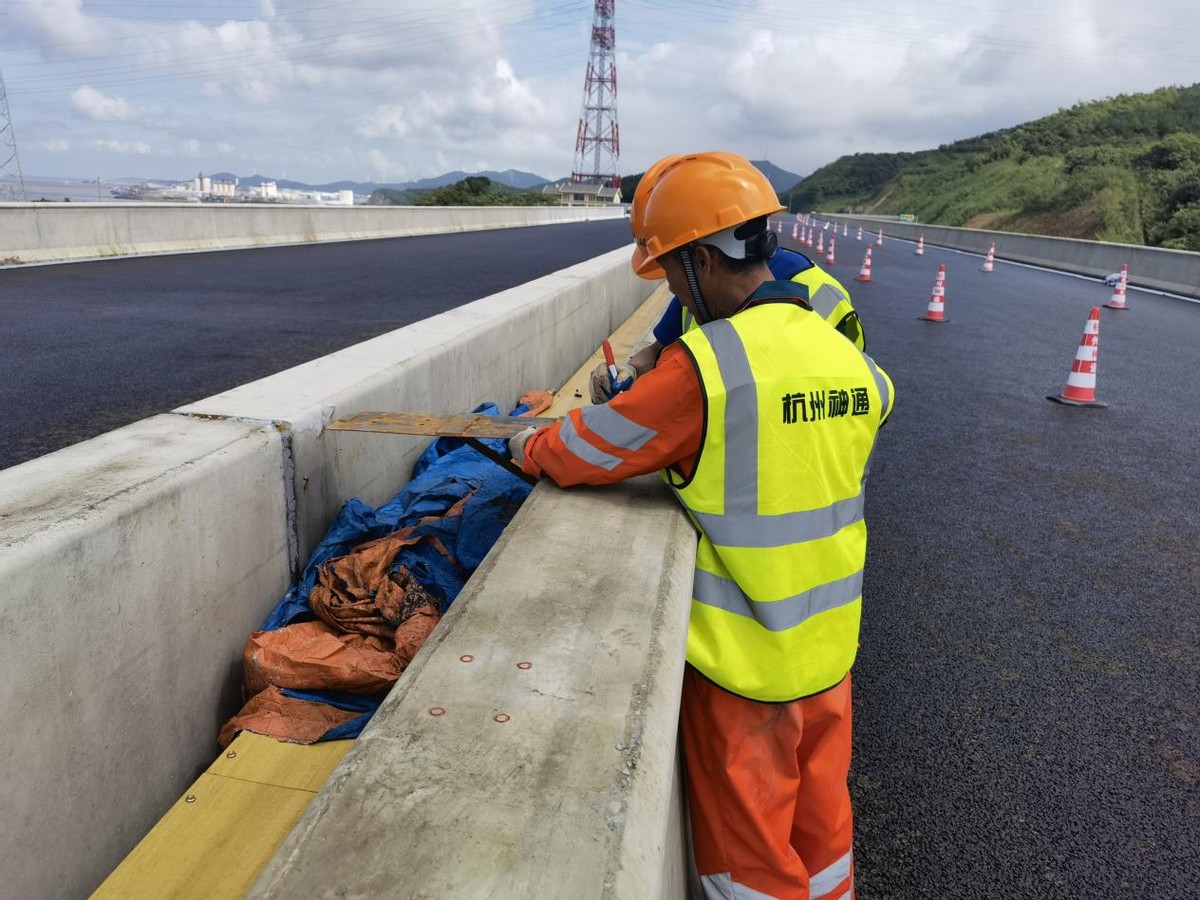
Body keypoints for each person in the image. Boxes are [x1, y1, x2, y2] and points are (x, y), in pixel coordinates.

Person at [511, 152, 894, 899]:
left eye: (670, 274)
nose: (672, 293)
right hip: (829, 654)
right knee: (823, 844)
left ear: (697, 260)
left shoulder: (708, 367)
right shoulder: (848, 358)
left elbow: (583, 449)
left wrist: (528, 440)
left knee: (747, 874)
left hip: (743, 673)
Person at [591, 158, 863, 404]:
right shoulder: (701, 291)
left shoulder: (822, 299)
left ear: (701, 261)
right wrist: (630, 370)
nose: (672, 286)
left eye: (667, 266)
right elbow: (657, 351)